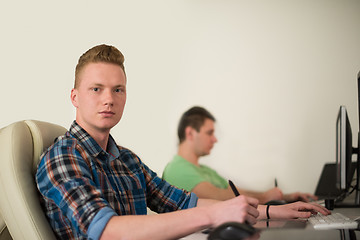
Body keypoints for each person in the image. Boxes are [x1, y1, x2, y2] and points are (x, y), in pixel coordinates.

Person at [35, 44, 329, 240]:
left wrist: (272, 210)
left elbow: (182, 202)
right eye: (96, 89)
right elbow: (108, 231)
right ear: (74, 96)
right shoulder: (62, 156)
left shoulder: (127, 160)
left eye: (118, 89)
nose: (109, 99)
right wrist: (214, 214)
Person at [163, 106, 318, 204]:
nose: (215, 139)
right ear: (190, 133)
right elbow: (218, 198)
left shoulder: (204, 170)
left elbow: (235, 192)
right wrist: (265, 198)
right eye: (209, 133)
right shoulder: (177, 169)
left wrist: (285, 197)